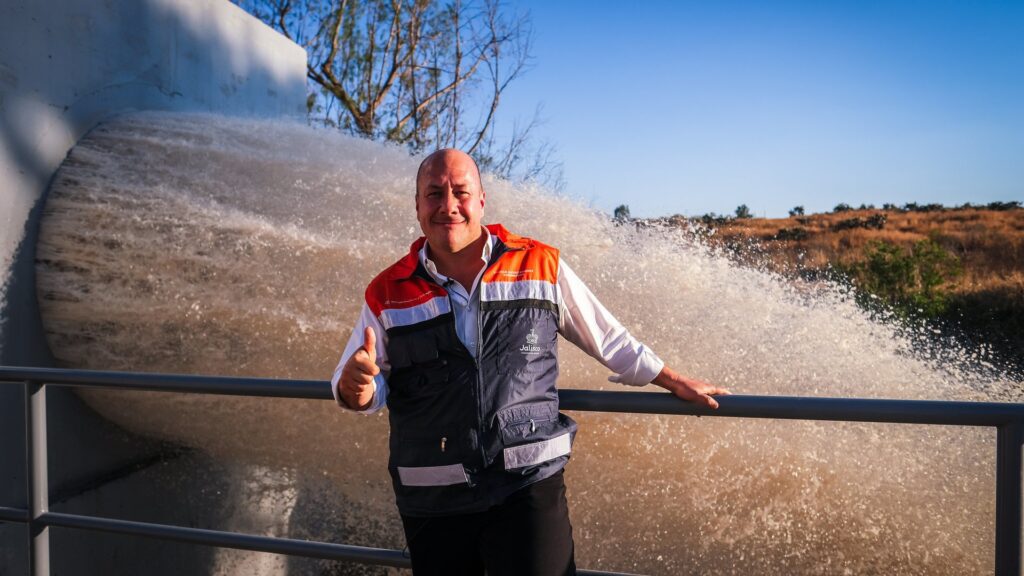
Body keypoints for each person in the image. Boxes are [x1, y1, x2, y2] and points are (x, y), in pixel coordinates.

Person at [331, 149, 730, 575]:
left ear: (482, 201)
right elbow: (359, 381)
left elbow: (607, 336)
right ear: (416, 205)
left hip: (526, 485)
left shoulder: (539, 264)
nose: (448, 206)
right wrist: (356, 388)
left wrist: (671, 379)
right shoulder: (387, 290)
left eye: (460, 193)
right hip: (432, 495)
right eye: (433, 194)